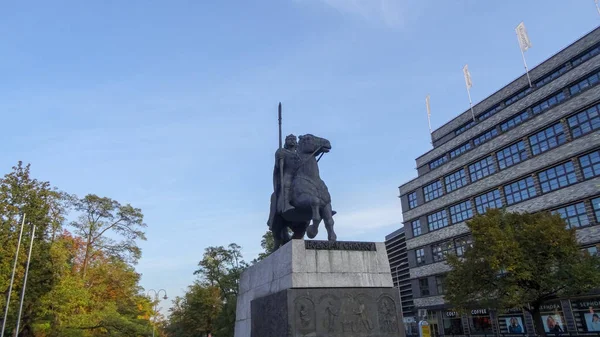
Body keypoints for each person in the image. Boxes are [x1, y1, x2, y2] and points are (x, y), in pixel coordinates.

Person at [267, 134, 298, 229]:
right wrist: (278, 157)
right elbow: (277, 166)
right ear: (286, 142)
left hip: (299, 176)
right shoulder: (282, 152)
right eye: (289, 139)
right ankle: (286, 205)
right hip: (287, 175)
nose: (292, 140)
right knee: (287, 184)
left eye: (293, 139)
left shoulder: (299, 154)